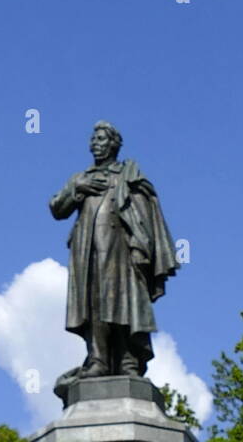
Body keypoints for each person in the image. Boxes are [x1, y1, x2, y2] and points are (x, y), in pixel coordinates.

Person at [49, 121, 180, 390]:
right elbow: (56, 208)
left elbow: (144, 212)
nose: (94, 144)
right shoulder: (81, 178)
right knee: (95, 302)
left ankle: (128, 361)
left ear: (113, 144)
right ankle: (98, 359)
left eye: (100, 139)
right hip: (88, 253)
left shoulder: (128, 176)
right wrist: (78, 189)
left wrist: (141, 248)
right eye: (92, 140)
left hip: (121, 252)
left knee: (124, 301)